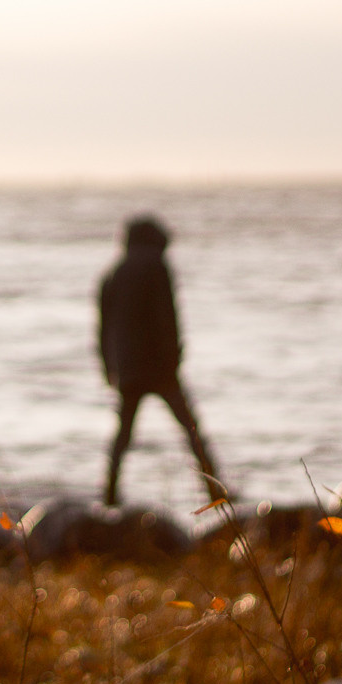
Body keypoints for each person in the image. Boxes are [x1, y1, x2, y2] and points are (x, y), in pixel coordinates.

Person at [98, 215, 229, 507]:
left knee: (122, 437)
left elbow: (102, 330)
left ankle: (109, 496)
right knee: (191, 431)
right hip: (159, 369)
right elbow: (166, 317)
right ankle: (215, 490)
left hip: (128, 371)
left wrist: (109, 368)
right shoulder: (157, 267)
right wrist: (174, 357)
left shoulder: (113, 274)